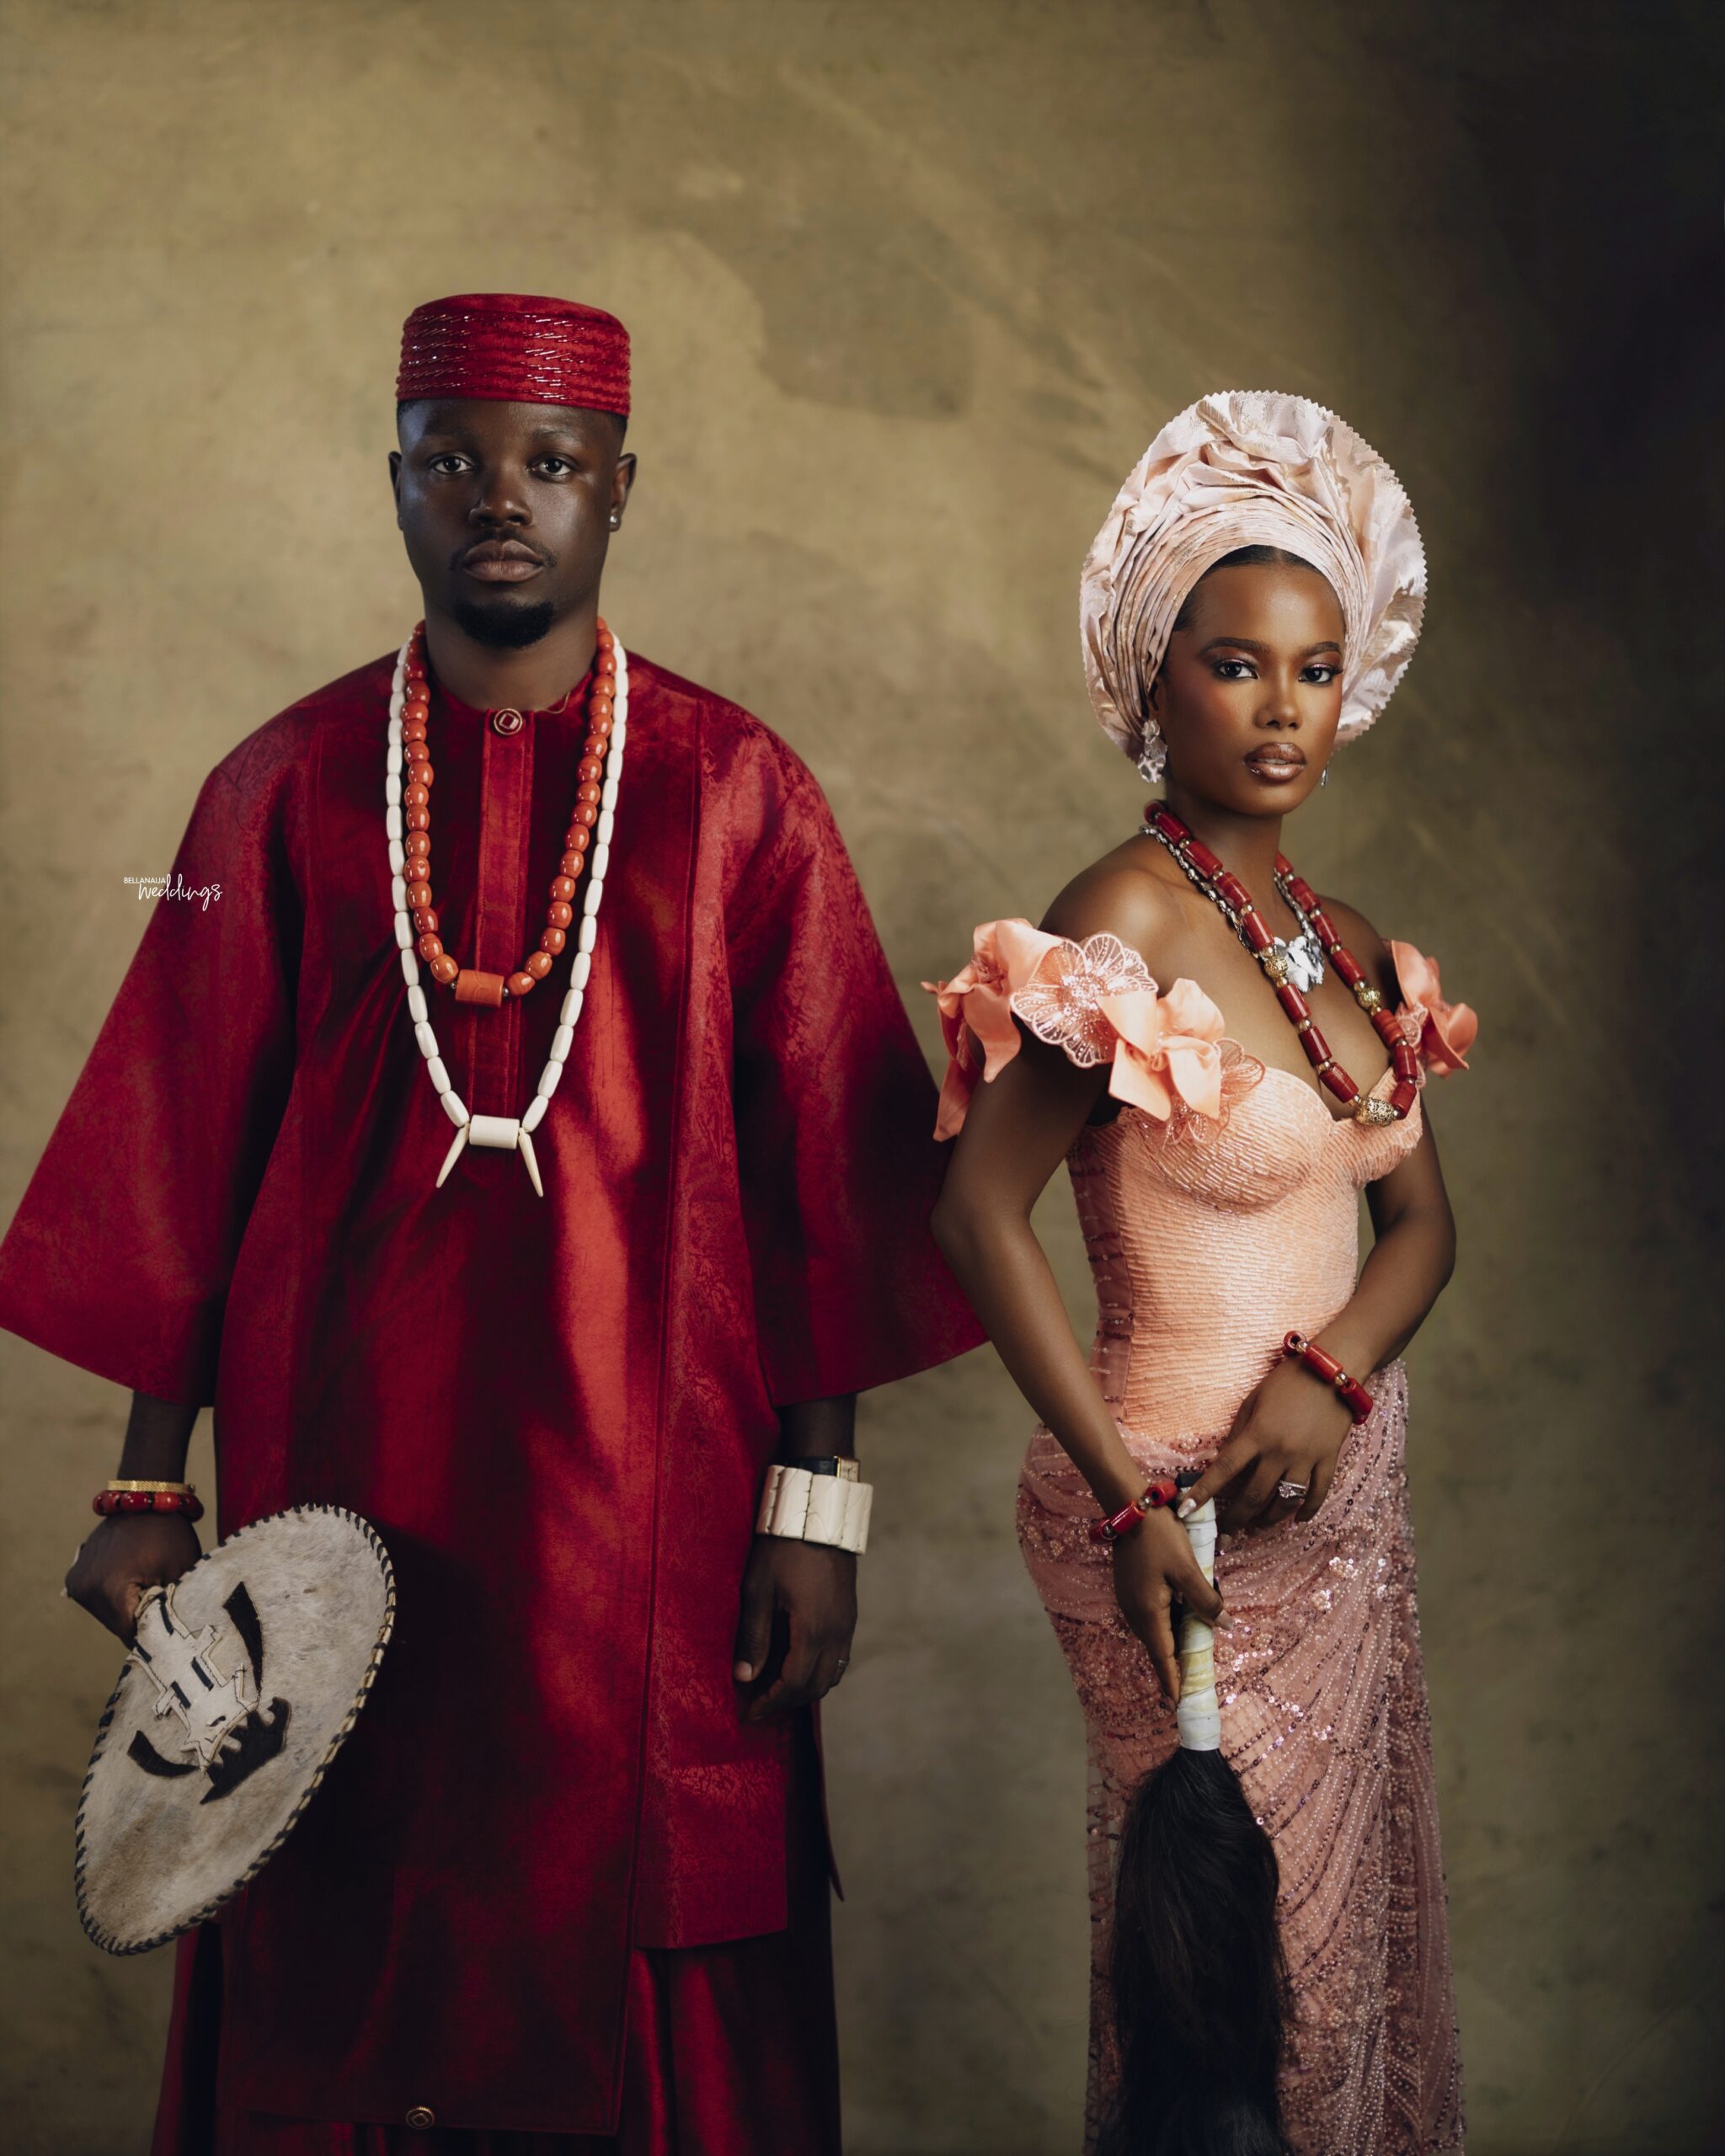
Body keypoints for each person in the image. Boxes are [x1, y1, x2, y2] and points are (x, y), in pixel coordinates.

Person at [0, 292, 980, 2154]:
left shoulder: (736, 792)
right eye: (450, 459)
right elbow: (179, 1136)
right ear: (393, 485)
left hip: (660, 1504)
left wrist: (816, 1507)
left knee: (652, 1901)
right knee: (340, 1888)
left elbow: (827, 1185)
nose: (499, 497)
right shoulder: (277, 788)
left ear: (621, 487)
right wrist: (143, 1487)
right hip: (337, 1491)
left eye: (548, 461)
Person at [926, 393, 1473, 2153]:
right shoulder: (1121, 926)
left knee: (1347, 1961)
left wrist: (1330, 1376)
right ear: (1152, 684)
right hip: (1166, 1511)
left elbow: (1422, 1226)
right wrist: (1119, 1497)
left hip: (1339, 1498)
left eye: (1314, 670)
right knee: (1228, 2000)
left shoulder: (1350, 948)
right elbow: (975, 1213)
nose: (1281, 708)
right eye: (1236, 666)